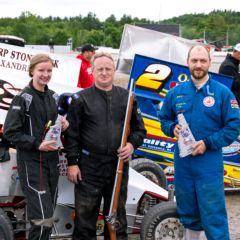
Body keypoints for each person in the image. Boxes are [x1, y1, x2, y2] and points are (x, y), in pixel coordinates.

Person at [159, 45, 240, 240]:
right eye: (194, 60)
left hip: (209, 164)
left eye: (202, 61)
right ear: (187, 63)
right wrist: (171, 128)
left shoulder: (222, 93)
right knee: (187, 212)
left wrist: (208, 143)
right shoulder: (175, 93)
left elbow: (233, 126)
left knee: (213, 214)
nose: (198, 65)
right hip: (183, 163)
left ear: (209, 64)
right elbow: (164, 119)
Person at [64, 52, 146, 240]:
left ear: (114, 71)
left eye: (108, 69)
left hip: (118, 167)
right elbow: (71, 135)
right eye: (99, 69)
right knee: (84, 220)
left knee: (117, 219)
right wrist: (72, 163)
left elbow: (140, 130)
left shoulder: (127, 97)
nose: (104, 73)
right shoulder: (80, 99)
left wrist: (132, 145)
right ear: (92, 71)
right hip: (89, 168)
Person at [3, 54, 69, 239]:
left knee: (47, 220)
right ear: (32, 71)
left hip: (53, 163)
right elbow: (10, 132)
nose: (45, 74)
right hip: (32, 165)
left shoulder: (53, 97)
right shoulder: (22, 98)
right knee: (43, 220)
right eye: (41, 70)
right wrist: (37, 144)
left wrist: (64, 125)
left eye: (49, 70)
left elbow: (53, 128)